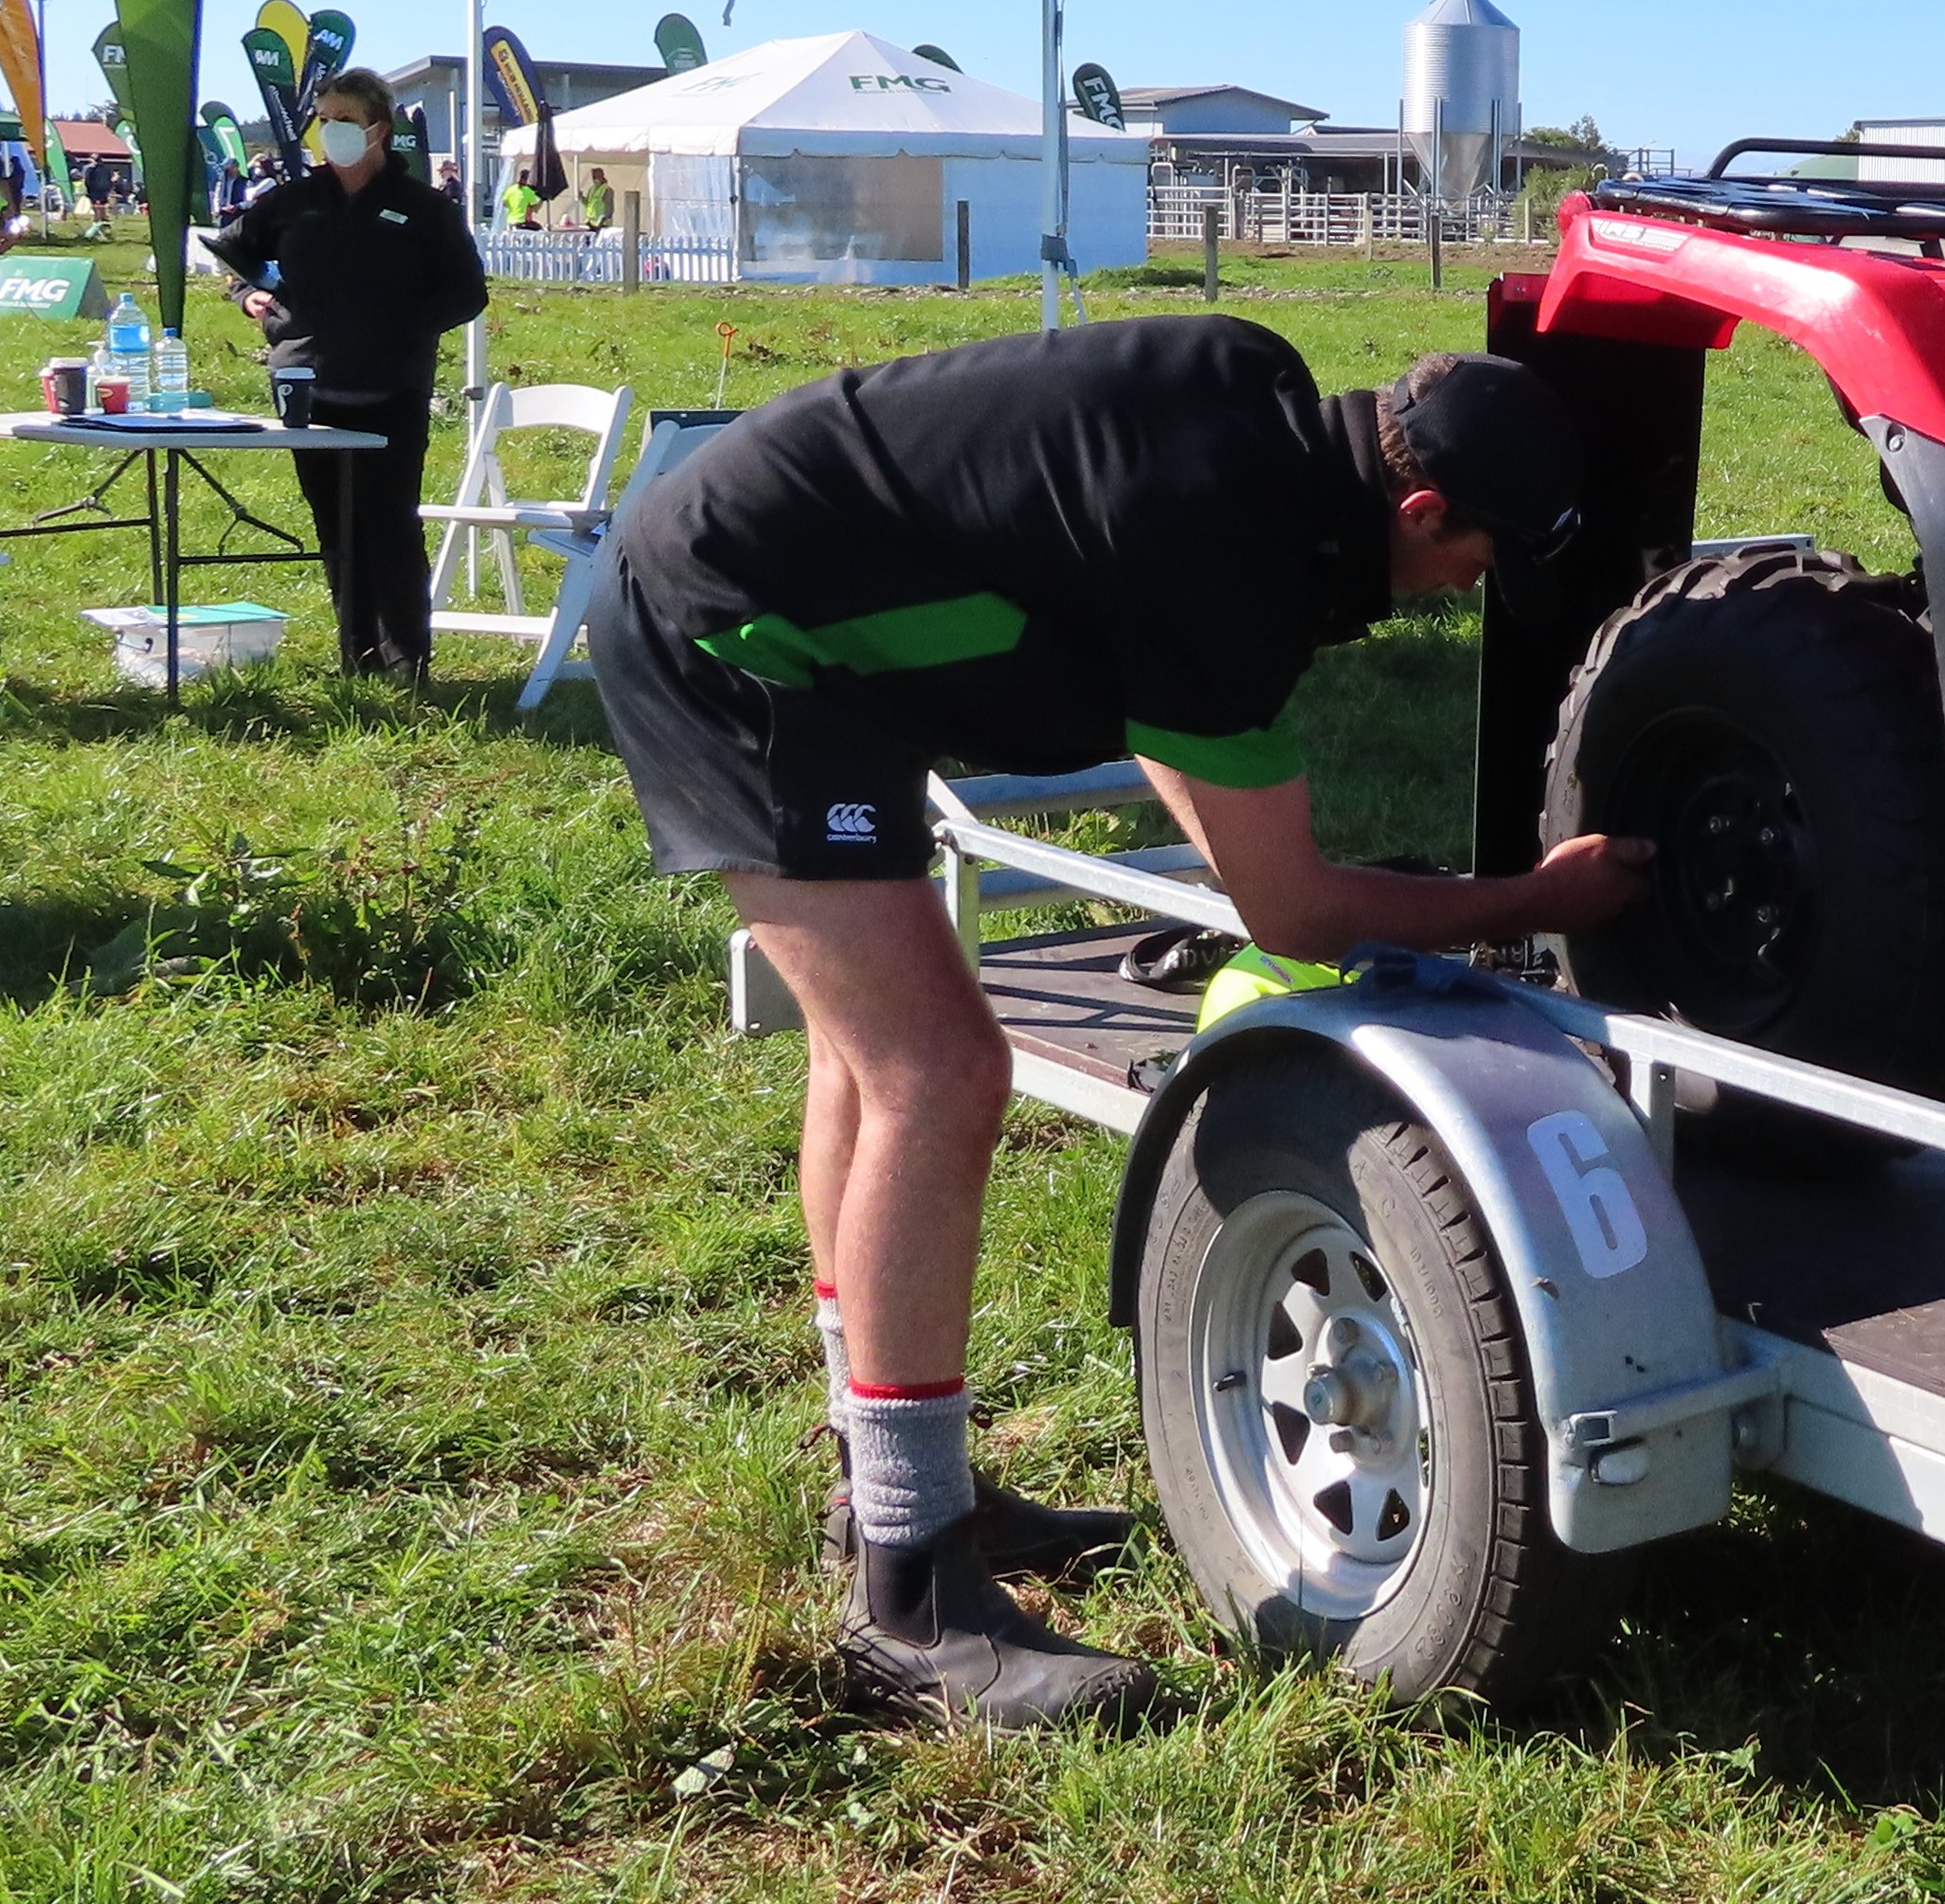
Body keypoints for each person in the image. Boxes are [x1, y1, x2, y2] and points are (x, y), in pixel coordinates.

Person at [586, 325, 1650, 1733]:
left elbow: (1150, 669)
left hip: (789, 582)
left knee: (866, 1058)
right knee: (938, 1069)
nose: (1473, 593)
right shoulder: (1243, 558)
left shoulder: (1249, 424)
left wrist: (1250, 844)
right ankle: (909, 1607)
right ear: (1418, 512)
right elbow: (1298, 914)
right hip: (738, 630)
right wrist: (1527, 895)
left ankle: (892, 1488)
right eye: (1481, 561)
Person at [203, 67, 488, 680]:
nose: (331, 132)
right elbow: (233, 245)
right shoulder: (297, 199)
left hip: (390, 388)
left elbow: (468, 293)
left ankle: (407, 658)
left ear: (379, 129)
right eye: (323, 121)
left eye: (345, 121)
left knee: (390, 524)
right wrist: (250, 294)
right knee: (335, 527)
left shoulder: (424, 208)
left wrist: (404, 323)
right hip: (306, 386)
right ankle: (356, 657)